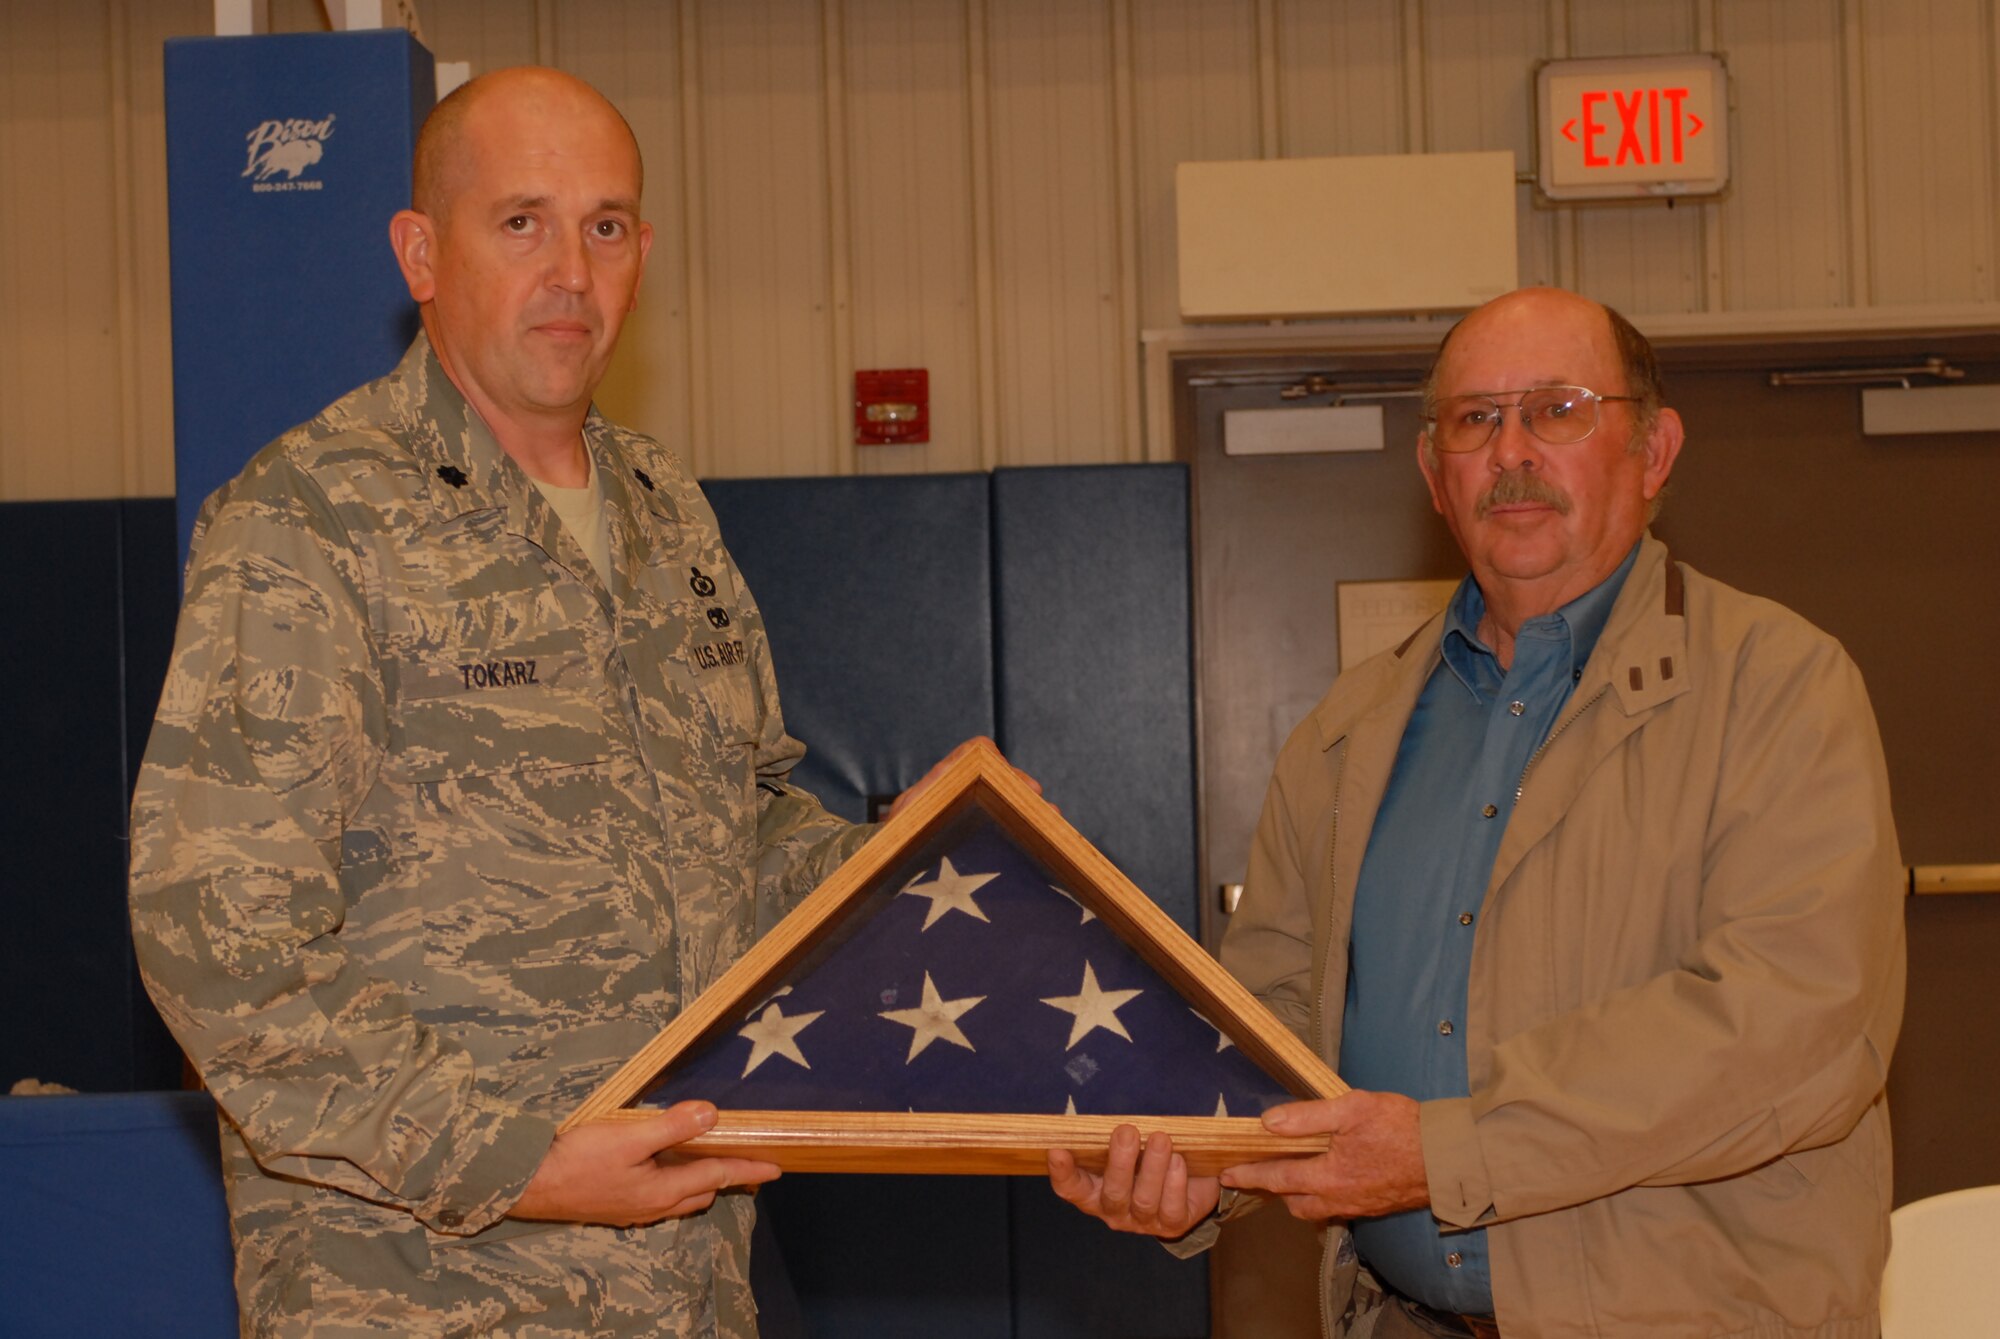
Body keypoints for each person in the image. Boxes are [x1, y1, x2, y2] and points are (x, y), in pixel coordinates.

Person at [129, 67, 986, 1337]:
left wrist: (902, 872)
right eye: (520, 221)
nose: (571, 272)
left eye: (605, 225)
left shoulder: (665, 512)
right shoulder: (312, 519)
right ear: (421, 253)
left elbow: (738, 834)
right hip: (425, 1288)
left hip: (686, 1281)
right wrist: (514, 1160)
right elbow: (218, 939)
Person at [1049, 287, 1905, 1338]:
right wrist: (1195, 1165)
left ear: (1652, 448)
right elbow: (1266, 1020)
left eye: (1557, 410)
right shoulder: (1347, 730)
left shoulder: (1775, 688)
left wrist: (1445, 1150)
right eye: (1474, 419)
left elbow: (1792, 1025)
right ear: (1432, 474)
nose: (1511, 452)